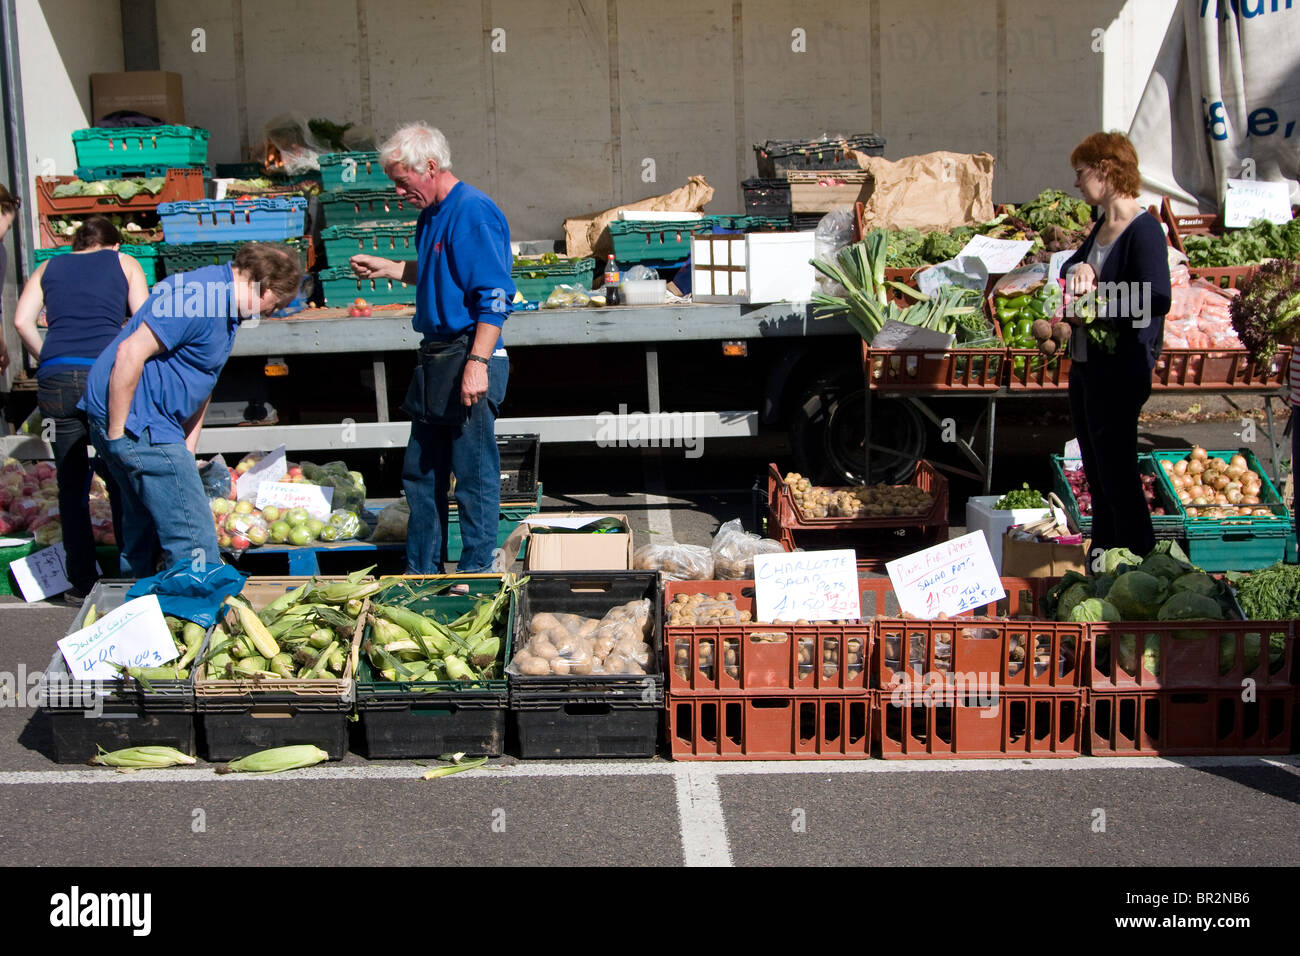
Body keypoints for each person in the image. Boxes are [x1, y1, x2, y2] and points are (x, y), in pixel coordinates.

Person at [349, 123, 514, 574]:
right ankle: (422, 571)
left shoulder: (473, 212)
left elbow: (495, 296)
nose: (399, 191)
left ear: (431, 167)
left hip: (468, 355)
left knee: (473, 474)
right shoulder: (431, 215)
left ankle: (476, 571)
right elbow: (441, 271)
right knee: (422, 474)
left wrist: (477, 363)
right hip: (437, 356)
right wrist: (390, 267)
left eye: (403, 182)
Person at [80, 243, 302, 577]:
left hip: (151, 423)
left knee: (144, 524)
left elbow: (203, 377)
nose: (270, 313)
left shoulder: (225, 306)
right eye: (275, 304)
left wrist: (188, 446)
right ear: (265, 285)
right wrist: (117, 432)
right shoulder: (198, 298)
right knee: (192, 531)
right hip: (141, 422)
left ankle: (136, 604)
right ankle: (197, 609)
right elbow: (130, 352)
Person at [12, 217, 149, 601]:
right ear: (115, 245)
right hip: (104, 378)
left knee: (70, 486)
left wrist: (51, 358)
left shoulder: (48, 266)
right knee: (121, 475)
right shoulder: (125, 264)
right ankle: (129, 574)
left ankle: (81, 581)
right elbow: (144, 321)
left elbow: (23, 322)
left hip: (54, 380)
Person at [1062, 131, 1171, 559]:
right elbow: (1076, 264)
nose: (1076, 183)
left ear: (1105, 170)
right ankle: (1105, 557)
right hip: (1089, 365)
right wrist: (1079, 269)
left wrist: (1097, 302)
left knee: (1117, 473)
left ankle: (1142, 557)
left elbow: (1158, 297)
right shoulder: (1102, 224)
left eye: (1080, 173)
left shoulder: (1144, 230)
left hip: (1121, 368)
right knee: (1096, 468)